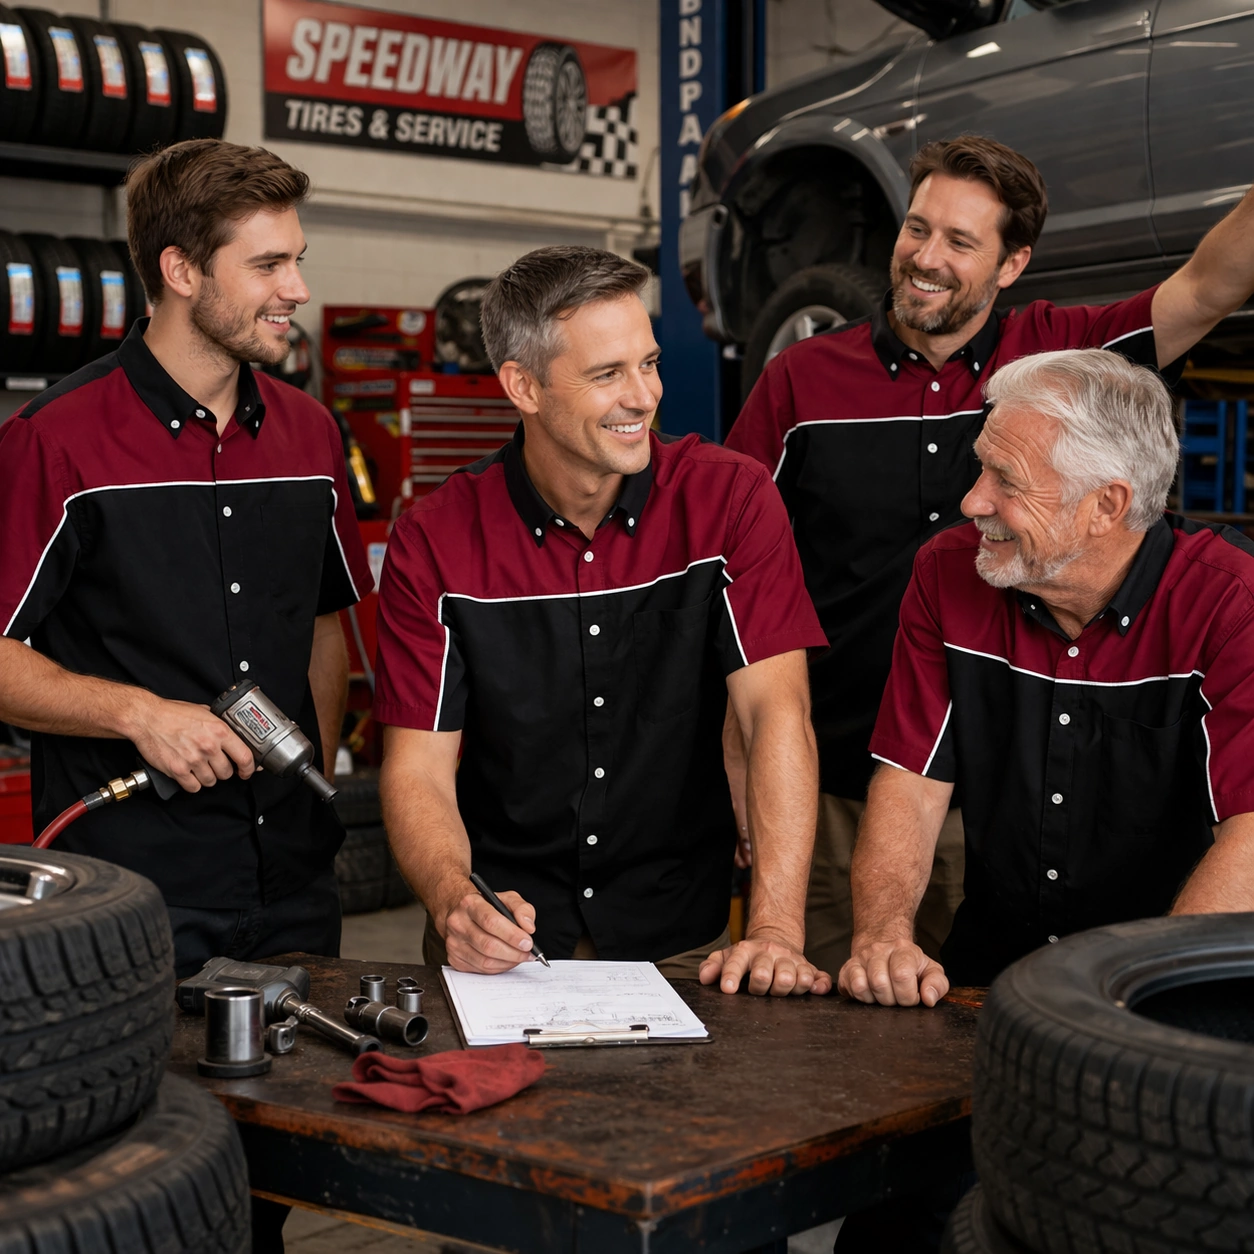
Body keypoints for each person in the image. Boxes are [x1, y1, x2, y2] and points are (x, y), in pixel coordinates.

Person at [724, 134, 1254, 981]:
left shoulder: (1066, 362)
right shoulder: (801, 379)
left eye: (961, 241)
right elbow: (735, 568)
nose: (926, 257)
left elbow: (1208, 286)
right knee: (847, 998)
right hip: (847, 778)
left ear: (1012, 264)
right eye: (917, 228)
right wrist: (747, 750)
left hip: (1008, 792)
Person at [374, 245, 831, 996]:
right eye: (607, 374)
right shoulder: (435, 540)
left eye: (648, 364)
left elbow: (776, 713)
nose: (643, 397)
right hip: (502, 947)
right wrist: (454, 899)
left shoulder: (732, 501)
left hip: (684, 938)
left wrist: (776, 928)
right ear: (523, 386)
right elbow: (418, 767)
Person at [0, 139, 371, 977]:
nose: (297, 290)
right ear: (181, 270)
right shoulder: (54, 443)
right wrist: (140, 715)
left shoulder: (313, 435)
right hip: (129, 893)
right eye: (268, 265)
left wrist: (305, 779)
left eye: (298, 260)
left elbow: (322, 629)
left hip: (296, 883)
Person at [842, 348, 1254, 1011]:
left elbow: (1251, 835)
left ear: (1106, 505)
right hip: (988, 977)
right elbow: (912, 781)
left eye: (1007, 480)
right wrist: (882, 936)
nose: (973, 500)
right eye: (981, 466)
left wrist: (1143, 1001)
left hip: (1164, 987)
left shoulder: (1233, 603)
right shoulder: (947, 572)